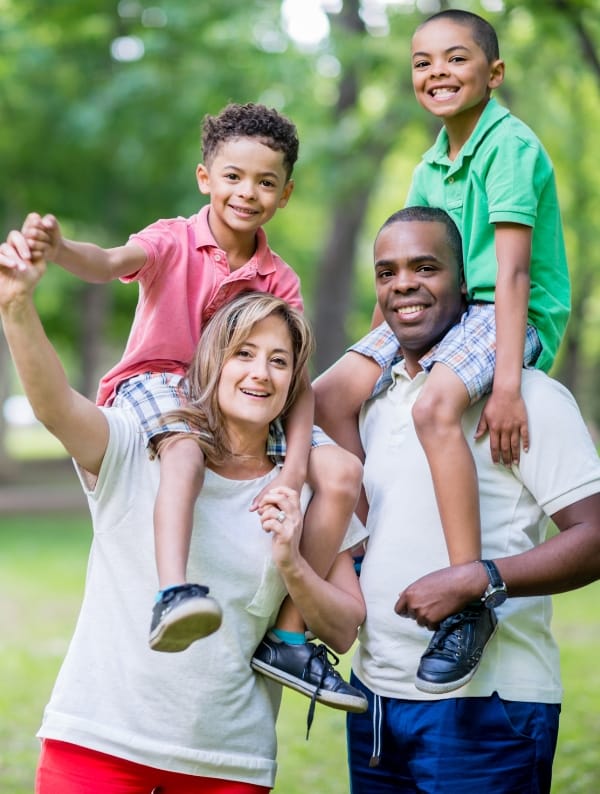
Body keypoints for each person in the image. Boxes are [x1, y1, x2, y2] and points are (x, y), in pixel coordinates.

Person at [19, 101, 364, 707]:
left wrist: (292, 475)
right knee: (184, 453)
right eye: (233, 176)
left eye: (266, 182)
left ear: (285, 194)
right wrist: (59, 248)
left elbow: (298, 383)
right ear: (205, 177)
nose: (247, 192)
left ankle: (288, 637)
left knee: (341, 471)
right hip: (160, 380)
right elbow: (107, 263)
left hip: (239, 392)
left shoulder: (279, 278)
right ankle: (174, 592)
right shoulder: (172, 240)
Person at [0, 232, 368, 793]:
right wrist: (17, 308)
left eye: (279, 362)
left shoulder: (307, 493)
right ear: (212, 363)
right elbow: (54, 405)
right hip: (99, 744)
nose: (260, 373)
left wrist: (293, 564)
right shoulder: (139, 445)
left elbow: (343, 628)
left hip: (228, 763)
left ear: (294, 384)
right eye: (243, 354)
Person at [315, 9, 571, 693]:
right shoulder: (432, 162)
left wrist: (508, 385)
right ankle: (367, 542)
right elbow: (406, 266)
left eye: (456, 58)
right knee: (326, 397)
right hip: (446, 310)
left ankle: (468, 601)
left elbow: (512, 273)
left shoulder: (509, 147)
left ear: (494, 72)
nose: (438, 73)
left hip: (507, 310)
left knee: (433, 408)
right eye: (423, 62)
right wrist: (378, 350)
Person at [314, 206, 600, 793]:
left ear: (465, 284)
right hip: (376, 700)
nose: (403, 285)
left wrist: (479, 578)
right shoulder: (374, 403)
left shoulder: (525, 400)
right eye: (387, 272)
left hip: (488, 707)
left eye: (425, 267)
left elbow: (594, 537)